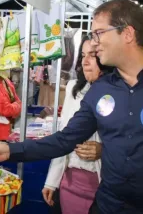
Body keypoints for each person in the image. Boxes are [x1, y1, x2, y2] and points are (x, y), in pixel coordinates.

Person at [0, 0, 143, 214]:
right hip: (108, 206)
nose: (94, 43)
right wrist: (11, 149)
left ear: (128, 34)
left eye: (99, 33)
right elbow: (65, 139)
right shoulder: (100, 90)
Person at [42, 36, 113, 214]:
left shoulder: (118, 92)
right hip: (70, 183)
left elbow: (130, 142)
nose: (85, 61)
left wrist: (104, 150)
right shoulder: (74, 89)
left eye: (93, 55)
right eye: (82, 55)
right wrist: (52, 181)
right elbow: (63, 136)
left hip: (102, 185)